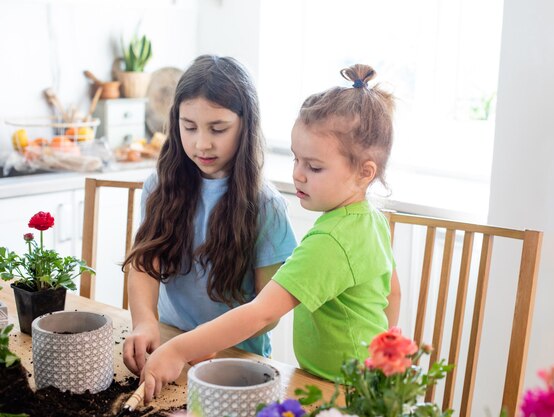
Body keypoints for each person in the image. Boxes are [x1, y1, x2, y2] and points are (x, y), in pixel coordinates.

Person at [138, 63, 402, 403]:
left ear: (365, 173)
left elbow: (262, 312)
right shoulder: (371, 219)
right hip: (366, 381)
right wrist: (386, 356)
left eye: (314, 166)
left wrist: (177, 350)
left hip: (342, 392)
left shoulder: (330, 240)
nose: (298, 176)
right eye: (296, 160)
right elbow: (392, 293)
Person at [121, 55, 298, 376]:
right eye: (189, 127)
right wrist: (145, 321)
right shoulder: (160, 184)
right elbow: (145, 264)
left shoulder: (265, 204)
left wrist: (205, 342)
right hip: (169, 342)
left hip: (235, 356)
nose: (202, 143)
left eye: (218, 128)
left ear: (246, 125)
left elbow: (268, 312)